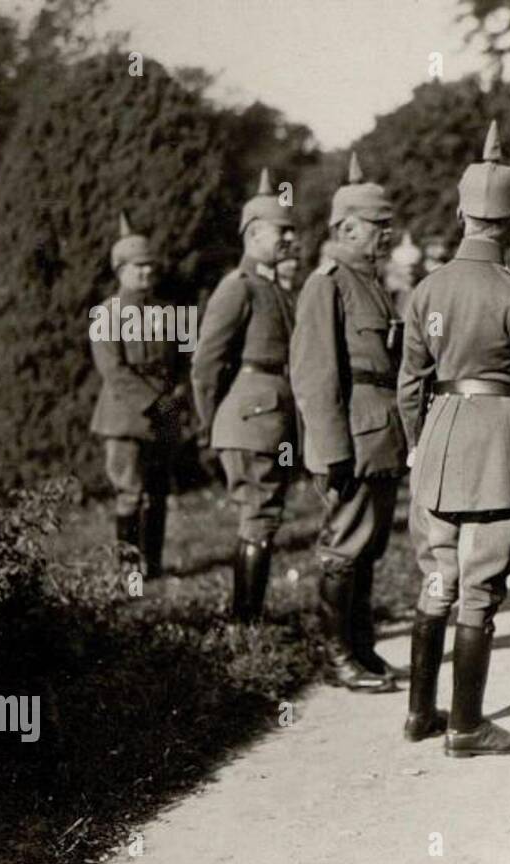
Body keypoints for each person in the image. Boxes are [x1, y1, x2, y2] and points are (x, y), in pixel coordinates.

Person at [397, 121, 510, 755]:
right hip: (498, 439)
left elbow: (409, 384)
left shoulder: (426, 290)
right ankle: (467, 726)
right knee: (481, 585)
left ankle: (421, 713)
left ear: (461, 214)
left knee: (438, 577)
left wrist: (418, 441)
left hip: (439, 437)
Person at [290, 152, 409, 692]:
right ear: (344, 227)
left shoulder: (369, 282)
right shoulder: (328, 283)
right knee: (345, 547)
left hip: (378, 436)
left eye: (388, 225)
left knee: (370, 547)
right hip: (352, 442)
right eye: (376, 226)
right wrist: (331, 449)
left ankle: (362, 649)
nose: (386, 235)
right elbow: (315, 374)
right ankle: (337, 659)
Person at [191, 169, 297, 622]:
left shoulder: (273, 288)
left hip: (268, 418)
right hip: (250, 419)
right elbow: (205, 363)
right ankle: (246, 625)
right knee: (258, 518)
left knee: (264, 519)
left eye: (292, 231)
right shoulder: (238, 288)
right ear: (254, 235)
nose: (290, 239)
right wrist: (212, 421)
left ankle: (249, 618)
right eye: (282, 231)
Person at [90, 212, 190, 579]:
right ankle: (129, 570)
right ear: (120, 270)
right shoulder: (106, 314)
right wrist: (152, 401)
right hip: (125, 416)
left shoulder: (168, 311)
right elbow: (113, 370)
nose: (145, 274)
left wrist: (178, 393)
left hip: (163, 413)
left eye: (150, 267)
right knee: (130, 492)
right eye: (137, 267)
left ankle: (154, 565)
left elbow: (183, 358)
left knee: (159, 491)